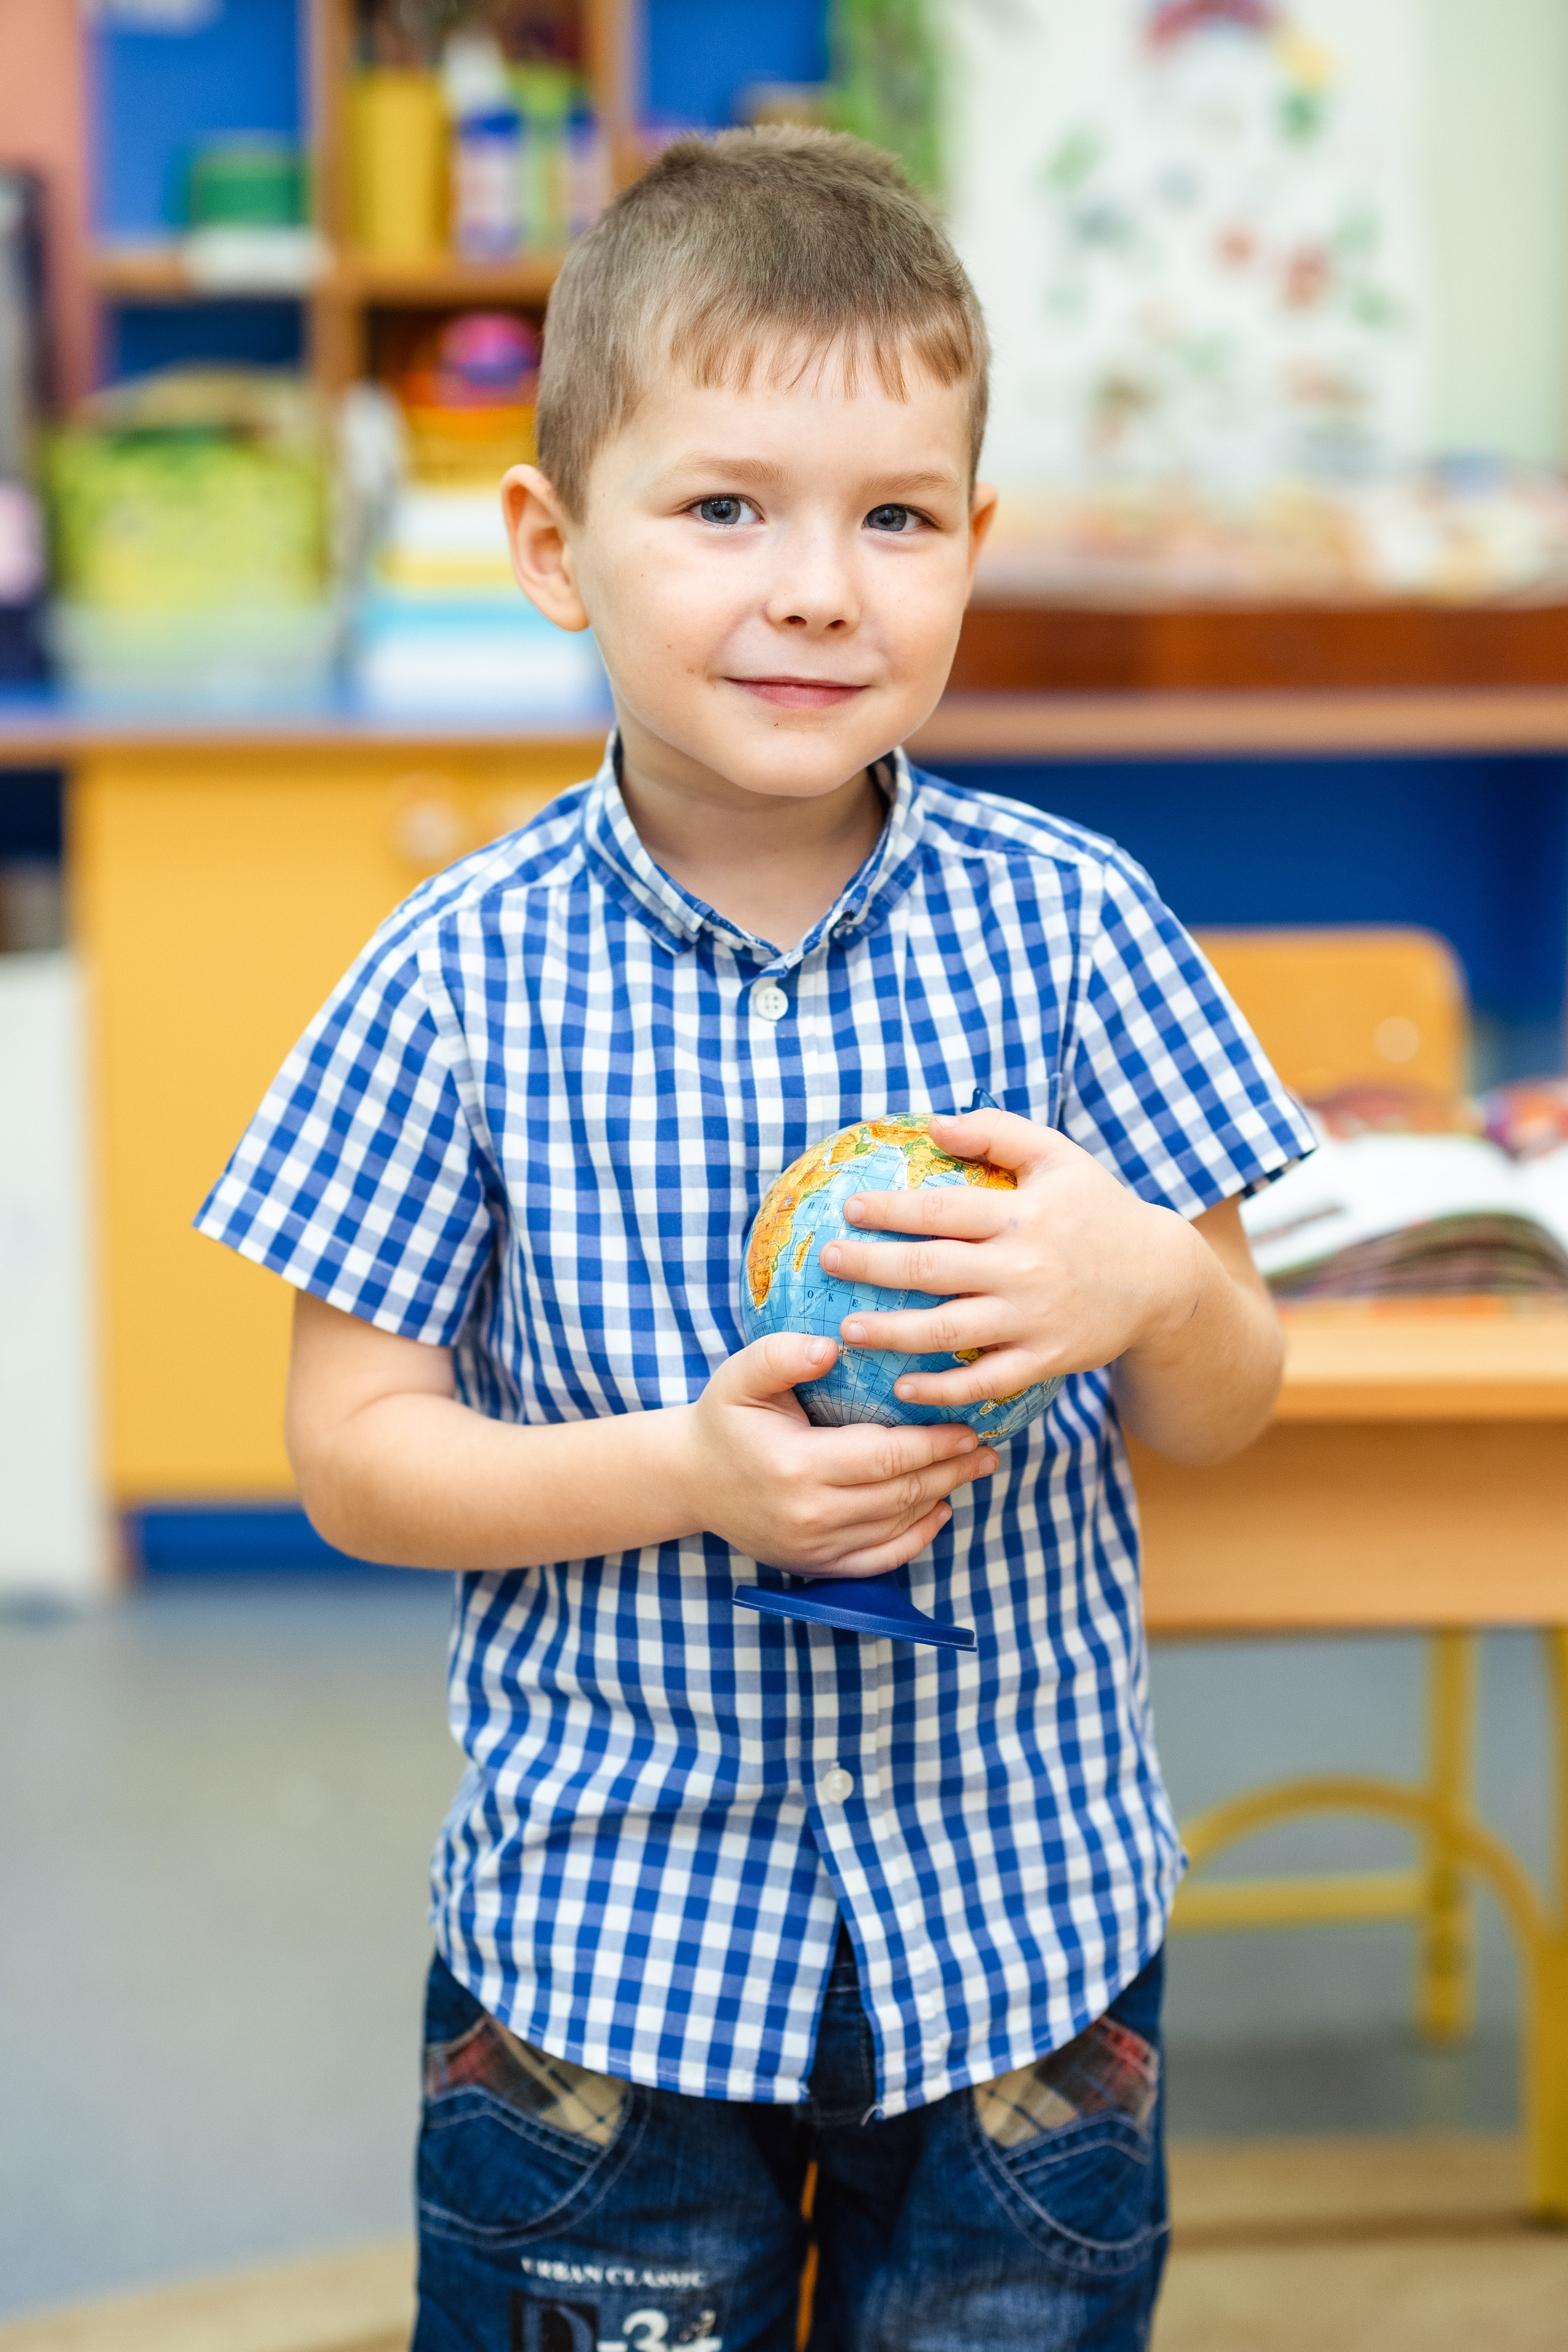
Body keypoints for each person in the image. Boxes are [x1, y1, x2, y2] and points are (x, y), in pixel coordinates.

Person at [197, 129, 1313, 2352]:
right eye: (726, 507)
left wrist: (1153, 1285)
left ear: (972, 553)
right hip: (606, 1976)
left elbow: (1235, 1399)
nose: (820, 588)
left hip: (1025, 1955)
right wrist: (683, 1478)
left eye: (896, 519)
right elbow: (353, 1450)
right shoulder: (453, 974)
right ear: (553, 546)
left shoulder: (1078, 928)